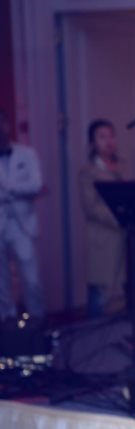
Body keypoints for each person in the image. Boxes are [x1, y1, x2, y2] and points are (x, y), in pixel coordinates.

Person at [0, 108, 44, 323]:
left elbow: (36, 184)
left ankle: (37, 323)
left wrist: (10, 189)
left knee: (31, 279)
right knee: (2, 282)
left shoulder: (27, 154)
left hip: (22, 225)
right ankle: (6, 325)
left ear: (7, 124)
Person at [78, 119, 125, 318]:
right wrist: (120, 216)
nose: (108, 141)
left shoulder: (121, 167)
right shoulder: (88, 172)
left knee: (120, 296)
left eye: (111, 136)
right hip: (101, 239)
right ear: (92, 143)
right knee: (99, 295)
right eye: (102, 137)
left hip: (123, 239)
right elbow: (92, 207)